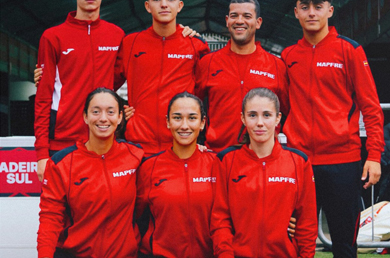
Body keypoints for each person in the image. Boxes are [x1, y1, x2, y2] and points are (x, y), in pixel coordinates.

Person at [280, 0, 385, 257]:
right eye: (305, 7)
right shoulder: (288, 56)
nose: (311, 13)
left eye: (318, 7)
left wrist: (374, 155)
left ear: (330, 10)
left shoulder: (350, 50)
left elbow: (371, 107)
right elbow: (279, 108)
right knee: (294, 242)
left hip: (343, 161)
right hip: (299, 162)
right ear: (296, 13)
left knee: (344, 242)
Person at [34, 0, 125, 182]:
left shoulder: (117, 35)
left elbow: (119, 79)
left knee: (102, 210)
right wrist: (41, 154)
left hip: (105, 141)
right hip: (64, 143)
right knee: (60, 212)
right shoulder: (52, 37)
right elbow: (43, 98)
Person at [37, 88, 144, 258]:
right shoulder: (61, 163)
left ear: (120, 117)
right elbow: (50, 219)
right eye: (96, 111)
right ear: (85, 117)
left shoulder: (136, 155)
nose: (103, 118)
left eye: (110, 112)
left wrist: (199, 150)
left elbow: (169, 162)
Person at [210, 87, 317, 257]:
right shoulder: (226, 161)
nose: (260, 122)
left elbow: (307, 224)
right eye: (252, 115)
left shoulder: (299, 162)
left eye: (267, 115)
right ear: (243, 119)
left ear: (277, 119)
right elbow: (220, 219)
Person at [114, 0, 210, 156]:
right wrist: (120, 111)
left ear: (180, 6)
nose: (164, 4)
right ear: (147, 6)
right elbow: (105, 85)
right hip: (139, 146)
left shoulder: (196, 45)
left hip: (180, 146)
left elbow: (206, 94)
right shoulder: (130, 43)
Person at [195, 0, 289, 153]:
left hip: (262, 159)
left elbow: (289, 114)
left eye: (247, 16)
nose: (239, 21)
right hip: (218, 157)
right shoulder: (207, 63)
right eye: (234, 16)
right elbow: (191, 108)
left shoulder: (276, 65)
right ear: (227, 20)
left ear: (258, 22)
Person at [135, 92, 217, 257]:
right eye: (177, 118)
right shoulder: (149, 167)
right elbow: (135, 217)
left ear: (202, 123)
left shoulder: (216, 164)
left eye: (192, 118)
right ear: (168, 122)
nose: (184, 126)